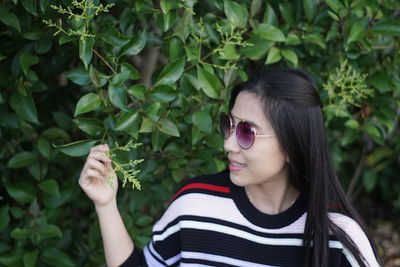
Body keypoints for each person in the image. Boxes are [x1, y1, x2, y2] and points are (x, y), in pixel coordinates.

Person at [79, 68, 381, 266]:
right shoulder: (196, 205)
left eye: (247, 132)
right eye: (230, 125)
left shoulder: (339, 239)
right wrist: (106, 205)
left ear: (292, 145)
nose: (228, 144)